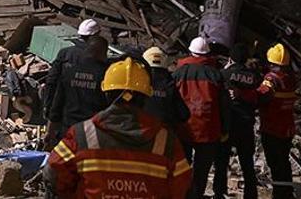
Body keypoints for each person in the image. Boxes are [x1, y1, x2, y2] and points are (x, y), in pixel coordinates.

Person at [46, 57, 192, 199]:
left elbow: (53, 172)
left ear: (107, 94)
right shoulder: (165, 140)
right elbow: (182, 184)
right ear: (145, 98)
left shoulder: (82, 134)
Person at [173, 37, 230, 199]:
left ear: (190, 52)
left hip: (183, 130)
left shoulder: (178, 73)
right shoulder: (215, 75)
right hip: (208, 131)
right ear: (207, 54)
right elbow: (224, 105)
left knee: (182, 169)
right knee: (201, 171)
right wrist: (225, 129)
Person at [44, 19, 108, 150]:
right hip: (92, 131)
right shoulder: (103, 68)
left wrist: (47, 110)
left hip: (68, 125)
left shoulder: (66, 55)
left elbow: (52, 83)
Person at [214, 44, 260, 199]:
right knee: (247, 163)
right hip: (246, 125)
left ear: (230, 58)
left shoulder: (224, 74)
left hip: (228, 124)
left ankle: (219, 192)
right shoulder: (254, 76)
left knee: (221, 161)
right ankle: (251, 195)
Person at [257, 43, 297, 199]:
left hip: (272, 129)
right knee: (284, 163)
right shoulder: (291, 79)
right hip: (287, 129)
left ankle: (279, 194)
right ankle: (287, 193)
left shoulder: (271, 79)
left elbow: (261, 96)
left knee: (275, 165)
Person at [142, 46, 190, 130]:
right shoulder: (169, 83)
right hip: (164, 132)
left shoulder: (138, 83)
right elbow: (184, 114)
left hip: (141, 133)